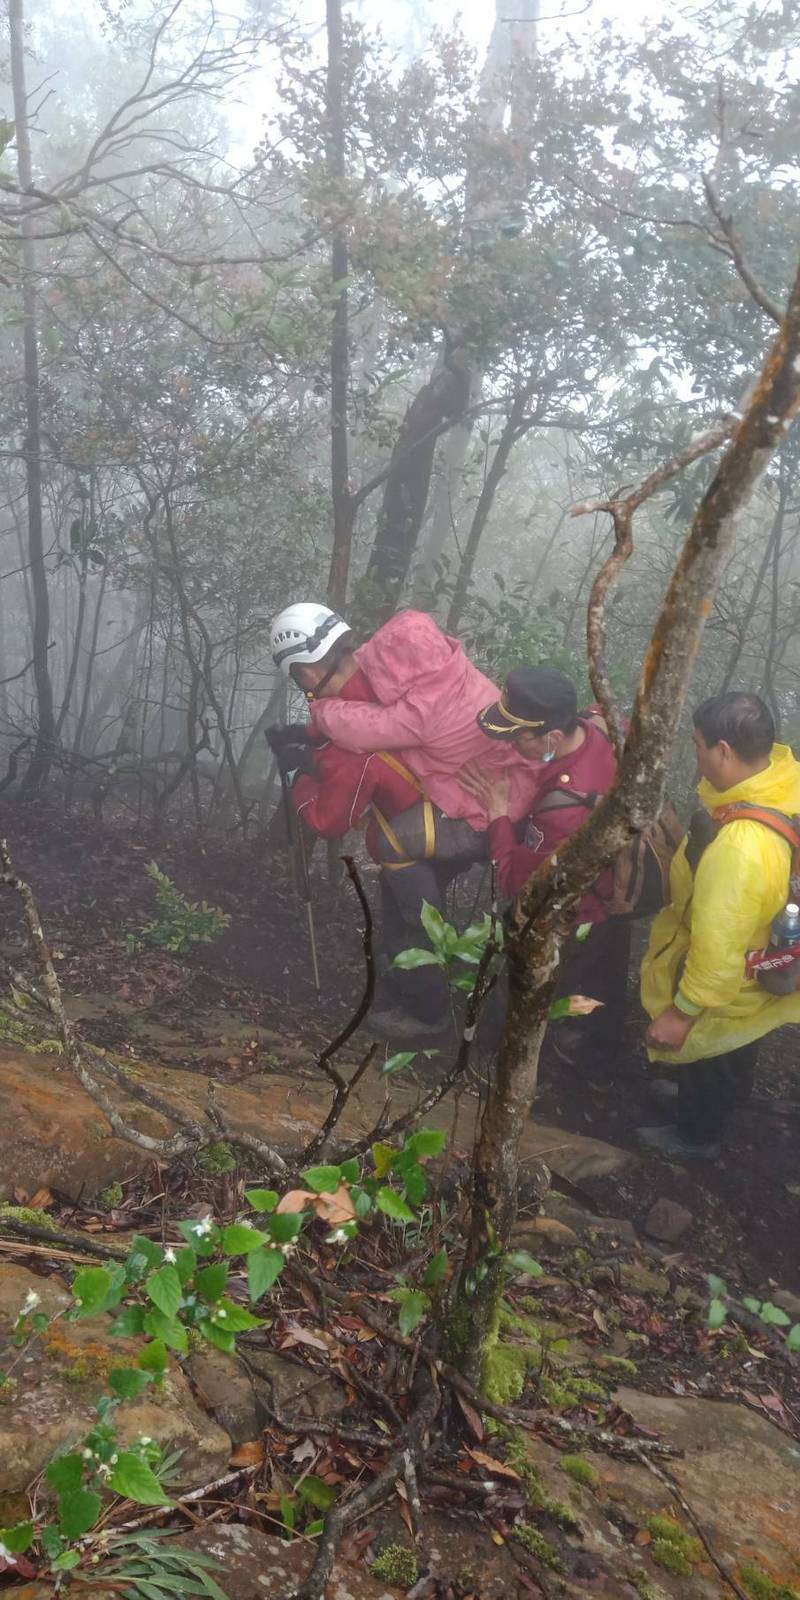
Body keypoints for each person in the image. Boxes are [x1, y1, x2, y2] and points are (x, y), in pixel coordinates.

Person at [267, 604, 540, 1038]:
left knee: (397, 864)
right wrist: (308, 737)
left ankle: (427, 1009)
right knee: (400, 878)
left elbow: (329, 819)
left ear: (304, 672)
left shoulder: (371, 730)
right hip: (500, 793)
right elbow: (362, 706)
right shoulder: (394, 656)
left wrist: (300, 776)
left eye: (300, 679)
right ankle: (409, 986)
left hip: (483, 812)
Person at [639, 690, 800, 1160]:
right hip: (760, 966)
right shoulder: (780, 785)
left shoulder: (740, 848)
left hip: (733, 977)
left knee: (712, 1046)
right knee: (737, 1043)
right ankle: (720, 1101)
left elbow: (716, 951)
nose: (695, 752)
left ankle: (696, 1136)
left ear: (724, 751)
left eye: (697, 743)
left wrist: (681, 1013)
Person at [460, 665, 630, 1087]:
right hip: (610, 895)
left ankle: (502, 1072)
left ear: (552, 737)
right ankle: (596, 1065)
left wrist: (499, 815)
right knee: (603, 988)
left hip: (581, 913)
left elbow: (518, 883)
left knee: (530, 988)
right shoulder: (601, 725)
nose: (515, 745)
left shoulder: (566, 815)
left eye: (520, 737)